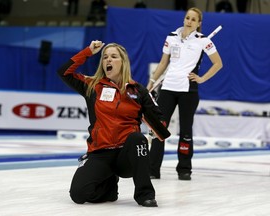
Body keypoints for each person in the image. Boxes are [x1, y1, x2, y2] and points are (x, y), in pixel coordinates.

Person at [57, 40, 169, 207]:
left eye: (113, 57)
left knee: (138, 139)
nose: (108, 60)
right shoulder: (92, 86)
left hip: (127, 155)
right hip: (101, 152)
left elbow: (161, 123)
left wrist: (155, 124)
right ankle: (109, 186)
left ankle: (145, 194)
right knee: (79, 194)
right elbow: (63, 72)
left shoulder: (138, 90)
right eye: (105, 57)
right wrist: (88, 52)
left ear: (123, 62)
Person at [147, 7, 223, 181]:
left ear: (199, 24)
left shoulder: (203, 41)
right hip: (167, 88)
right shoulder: (171, 37)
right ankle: (153, 169)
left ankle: (184, 169)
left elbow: (218, 63)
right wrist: (151, 83)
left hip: (188, 90)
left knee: (186, 131)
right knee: (159, 128)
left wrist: (202, 78)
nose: (189, 21)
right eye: (187, 18)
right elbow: (163, 63)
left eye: (193, 19)